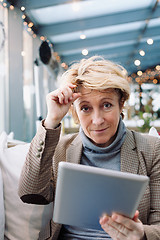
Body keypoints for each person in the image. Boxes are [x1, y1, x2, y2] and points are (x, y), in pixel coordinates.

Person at [18, 56, 160, 240]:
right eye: (85, 108)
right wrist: (52, 120)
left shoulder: (151, 149)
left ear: (121, 104)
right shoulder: (61, 148)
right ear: (75, 111)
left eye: (106, 105)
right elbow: (30, 193)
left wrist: (142, 235)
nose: (97, 120)